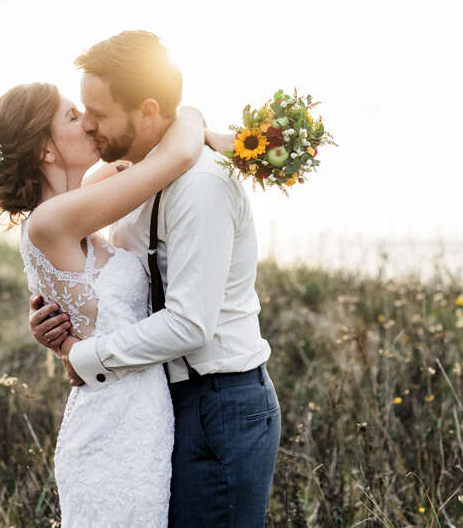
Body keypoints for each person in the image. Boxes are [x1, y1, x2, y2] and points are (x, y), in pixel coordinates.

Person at [29, 30, 281, 527]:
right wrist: (61, 308)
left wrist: (84, 355)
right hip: (160, 402)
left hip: (220, 406)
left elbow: (189, 325)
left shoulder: (200, 186)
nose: (90, 126)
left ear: (146, 111)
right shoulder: (135, 177)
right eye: (81, 112)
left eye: (97, 112)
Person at [0, 80, 210, 526]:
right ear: (45, 150)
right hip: (113, 428)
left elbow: (156, 152)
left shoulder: (77, 201)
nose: (87, 123)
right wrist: (195, 116)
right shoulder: (51, 220)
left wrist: (210, 138)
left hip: (143, 419)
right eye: (70, 117)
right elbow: (176, 155)